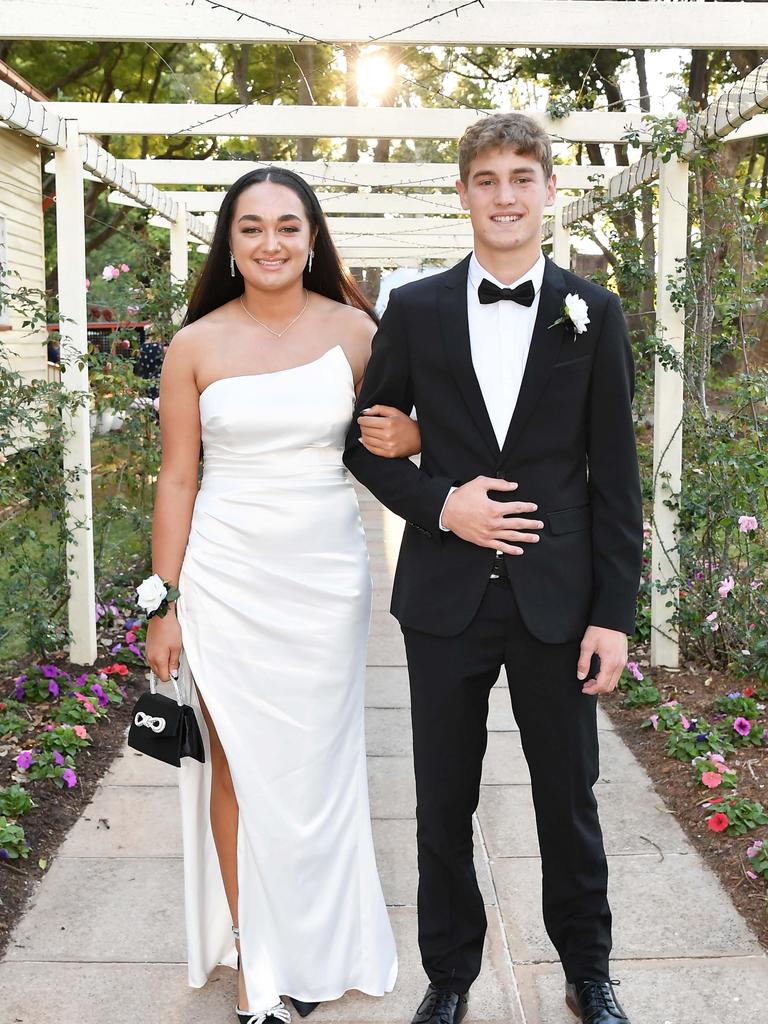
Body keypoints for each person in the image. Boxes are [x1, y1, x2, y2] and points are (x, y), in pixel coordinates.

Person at [346, 113, 643, 1024]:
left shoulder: (594, 313)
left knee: (569, 800)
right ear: (464, 193)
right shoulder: (419, 308)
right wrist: (442, 503)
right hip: (443, 598)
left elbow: (613, 476)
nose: (505, 195)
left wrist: (613, 614)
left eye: (523, 176)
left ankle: (588, 970)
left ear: (550, 189)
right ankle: (450, 975)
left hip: (558, 603)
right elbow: (367, 445)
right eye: (487, 179)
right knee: (442, 798)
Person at [145, 167, 419, 1023]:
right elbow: (178, 477)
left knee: (319, 769)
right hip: (226, 578)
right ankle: (257, 968)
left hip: (325, 578)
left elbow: (400, 440)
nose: (271, 243)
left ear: (311, 237)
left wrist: (414, 433)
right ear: (229, 239)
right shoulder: (194, 345)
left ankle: (324, 944)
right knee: (238, 763)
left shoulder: (357, 332)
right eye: (252, 226)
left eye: (288, 227)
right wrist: (165, 599)